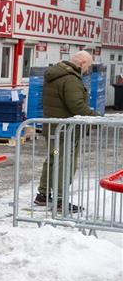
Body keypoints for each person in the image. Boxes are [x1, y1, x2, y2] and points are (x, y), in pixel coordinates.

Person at [35, 50, 99, 211]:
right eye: (88, 66)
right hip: (65, 132)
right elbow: (76, 105)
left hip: (54, 129)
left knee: (53, 158)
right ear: (82, 63)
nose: (87, 70)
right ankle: (60, 200)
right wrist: (95, 118)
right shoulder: (71, 79)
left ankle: (43, 195)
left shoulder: (57, 74)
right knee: (65, 163)